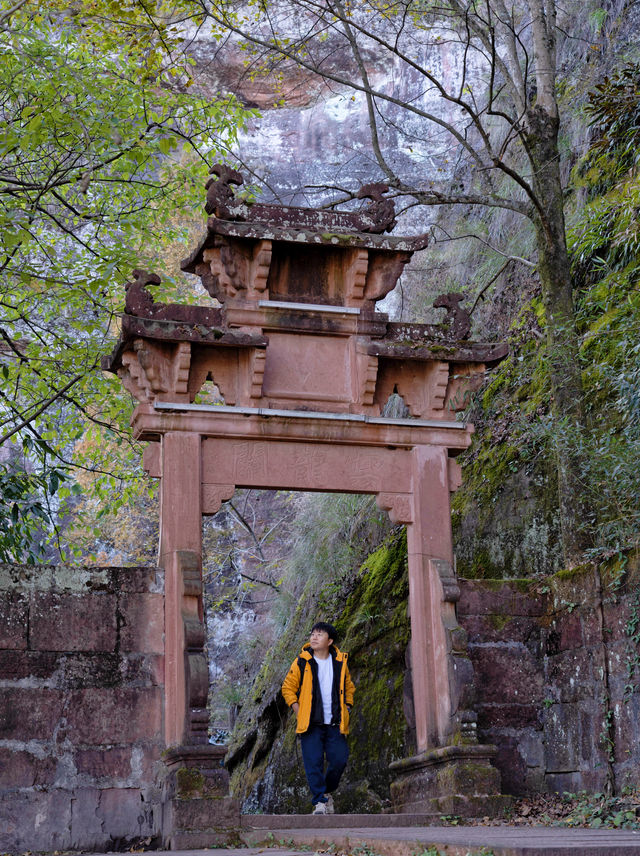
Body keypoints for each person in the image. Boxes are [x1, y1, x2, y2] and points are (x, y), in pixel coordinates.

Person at [281, 622, 355, 815]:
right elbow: (287, 688)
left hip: (334, 722)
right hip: (311, 724)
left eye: (319, 635)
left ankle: (327, 791)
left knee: (339, 759)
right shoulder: (302, 661)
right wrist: (298, 711)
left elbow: (349, 688)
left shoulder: (340, 662)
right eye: (312, 634)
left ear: (329, 641)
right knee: (313, 763)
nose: (313, 637)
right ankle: (320, 802)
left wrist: (347, 707)